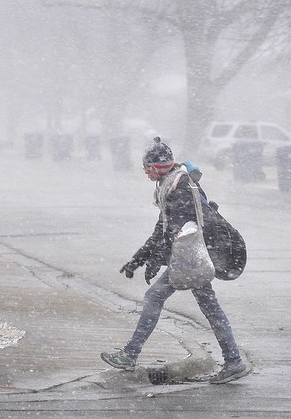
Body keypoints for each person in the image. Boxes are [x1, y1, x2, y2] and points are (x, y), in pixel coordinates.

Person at [101, 137, 248, 384]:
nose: (145, 172)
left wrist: (155, 259)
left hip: (192, 257)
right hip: (192, 255)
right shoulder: (170, 183)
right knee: (210, 307)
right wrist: (140, 258)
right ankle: (233, 360)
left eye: (147, 167)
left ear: (158, 166)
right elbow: (163, 226)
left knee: (155, 297)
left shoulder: (179, 187)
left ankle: (130, 355)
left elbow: (173, 230)